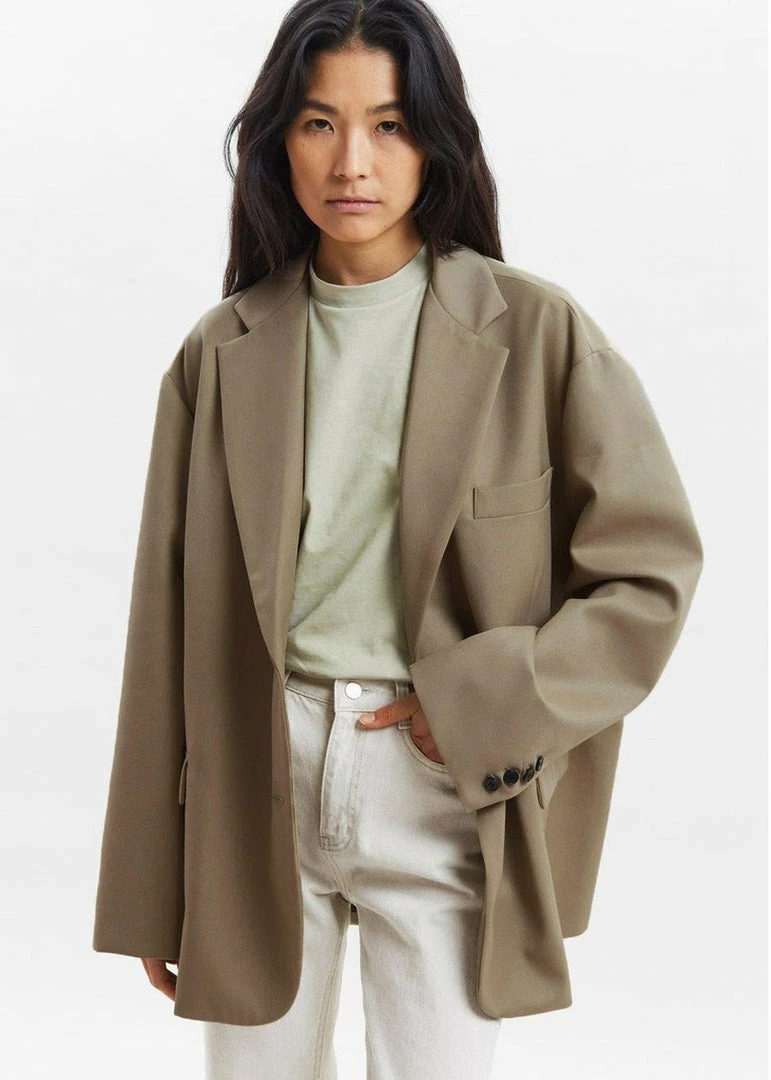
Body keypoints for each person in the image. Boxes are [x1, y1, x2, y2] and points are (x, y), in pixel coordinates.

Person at [92, 1, 704, 1077]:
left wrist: (474, 703)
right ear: (278, 141)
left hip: (442, 783)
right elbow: (164, 628)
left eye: (389, 124)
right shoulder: (220, 353)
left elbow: (648, 577)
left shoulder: (537, 332)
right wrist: (150, 884)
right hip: (254, 783)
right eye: (319, 123)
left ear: (435, 140)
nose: (352, 162)